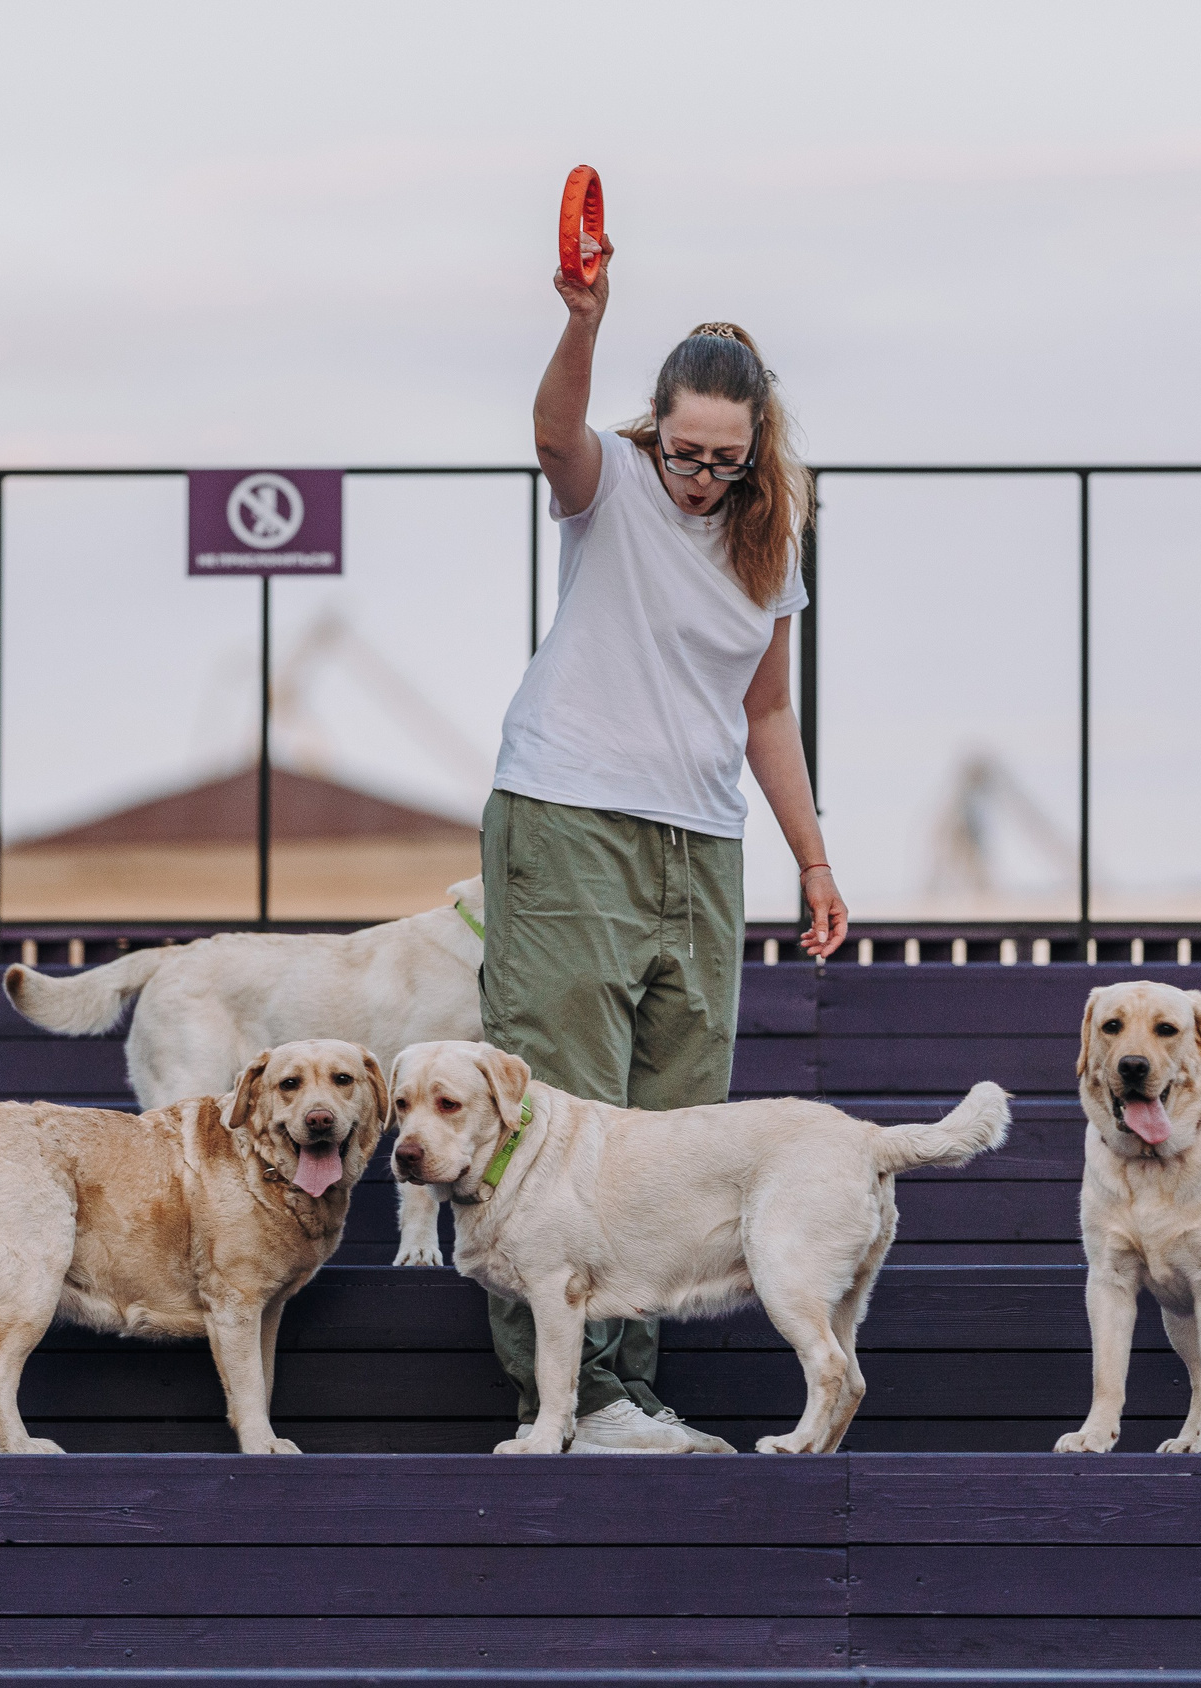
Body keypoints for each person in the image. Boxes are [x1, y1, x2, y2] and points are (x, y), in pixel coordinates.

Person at [477, 226, 850, 1452]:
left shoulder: (766, 537)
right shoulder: (614, 486)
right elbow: (551, 439)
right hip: (571, 814)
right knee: (564, 1107)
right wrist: (582, 319)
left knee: (671, 1129)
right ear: (656, 430)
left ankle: (626, 1394)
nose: (698, 478)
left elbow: (766, 708)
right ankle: (565, 1398)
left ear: (757, 453)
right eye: (684, 453)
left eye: (723, 463)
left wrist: (811, 857)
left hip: (702, 844)